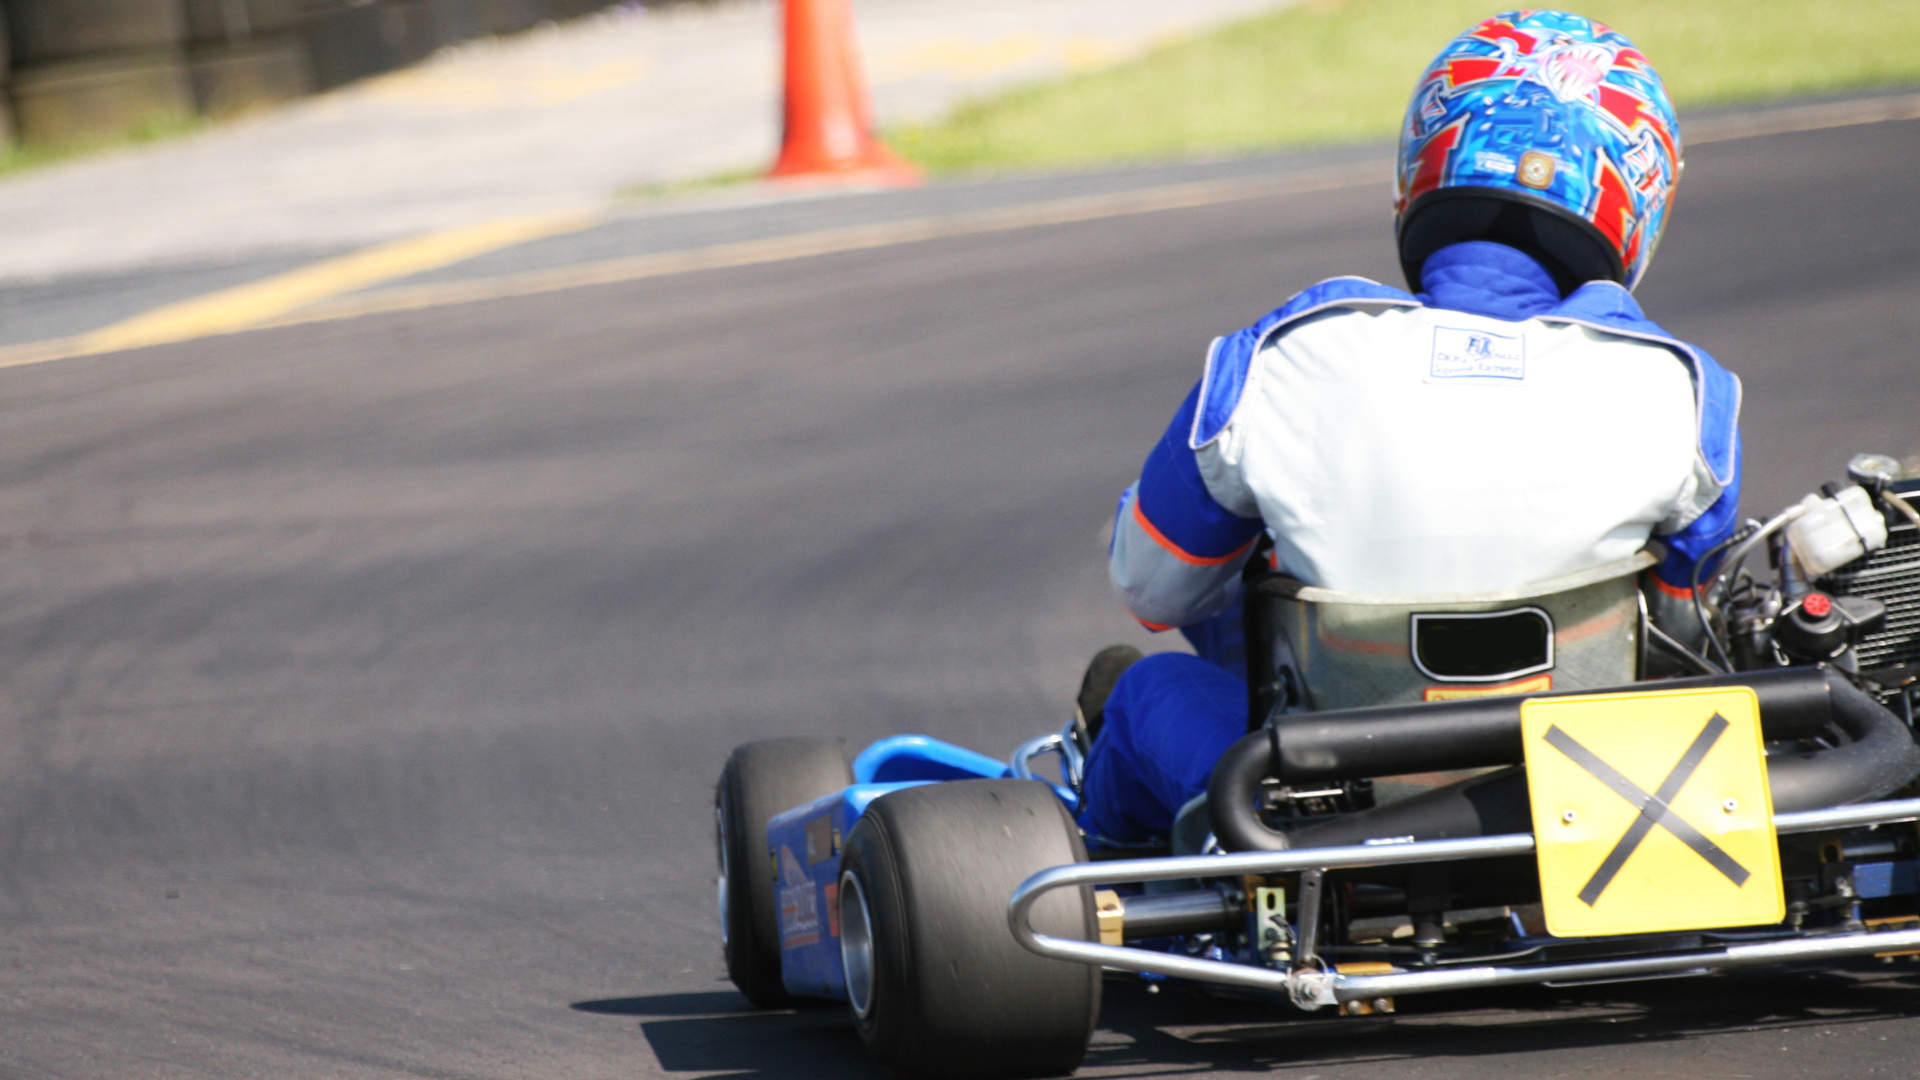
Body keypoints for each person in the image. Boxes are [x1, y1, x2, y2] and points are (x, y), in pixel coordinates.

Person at [1075, 11, 1741, 846]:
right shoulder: (1681, 392)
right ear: (1636, 195)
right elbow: (1683, 638)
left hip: (1318, 790)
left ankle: (1121, 916)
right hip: (1593, 798)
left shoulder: (1287, 352)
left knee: (1145, 693)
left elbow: (1153, 584)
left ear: (1423, 163)